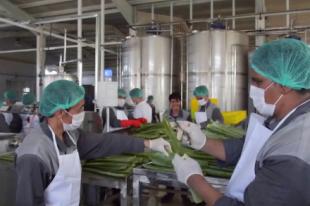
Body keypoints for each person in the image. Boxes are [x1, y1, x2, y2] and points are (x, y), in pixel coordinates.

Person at [172, 39, 310, 206]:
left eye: (258, 82)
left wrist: (194, 179)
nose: (252, 89)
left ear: (285, 86)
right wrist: (203, 142)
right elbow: (251, 148)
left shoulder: (293, 155)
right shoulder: (285, 117)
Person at [15, 80, 172, 206]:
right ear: (60, 112)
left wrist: (148, 143)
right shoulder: (34, 154)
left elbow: (106, 142)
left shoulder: (70, 135)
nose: (83, 113)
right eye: (80, 108)